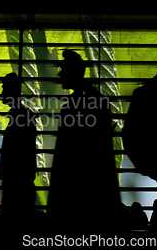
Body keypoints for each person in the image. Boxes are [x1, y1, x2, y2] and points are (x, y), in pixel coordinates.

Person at [48, 50, 122, 232]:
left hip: (74, 193)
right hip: (96, 192)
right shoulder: (99, 102)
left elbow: (64, 157)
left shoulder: (72, 108)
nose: (59, 74)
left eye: (63, 69)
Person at [0, 72, 37, 221]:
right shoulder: (23, 115)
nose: (2, 94)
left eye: (5, 89)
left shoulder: (22, 116)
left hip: (16, 182)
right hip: (17, 180)